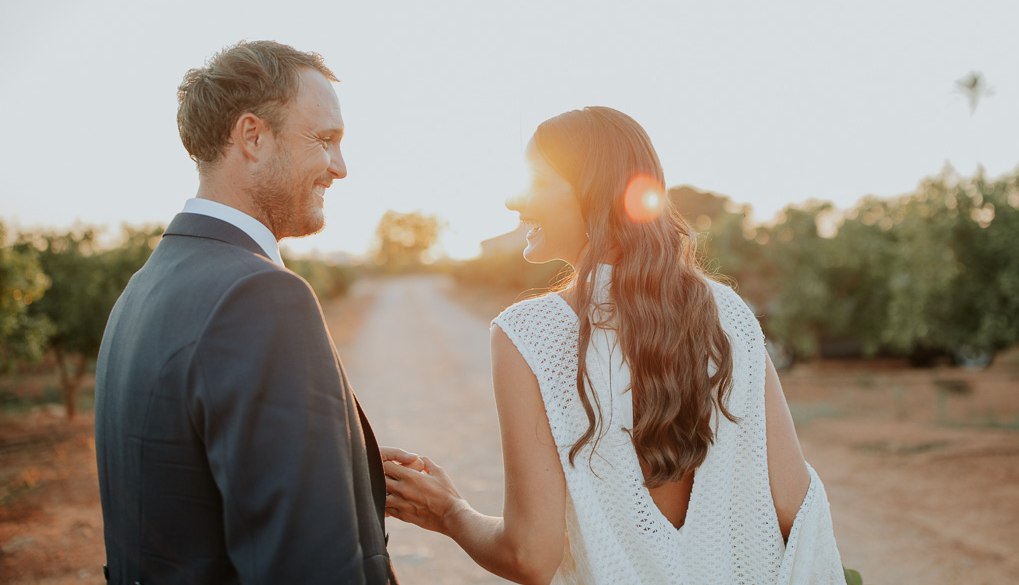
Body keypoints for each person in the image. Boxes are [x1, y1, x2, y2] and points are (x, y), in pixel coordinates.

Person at [382, 106, 846, 584]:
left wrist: (449, 512)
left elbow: (530, 556)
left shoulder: (530, 334)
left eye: (536, 182)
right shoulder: (728, 312)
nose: (512, 201)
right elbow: (796, 505)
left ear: (595, 195)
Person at [95, 41, 396, 584]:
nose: (341, 167)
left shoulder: (140, 292)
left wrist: (342, 460)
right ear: (253, 136)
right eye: (325, 140)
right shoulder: (262, 297)